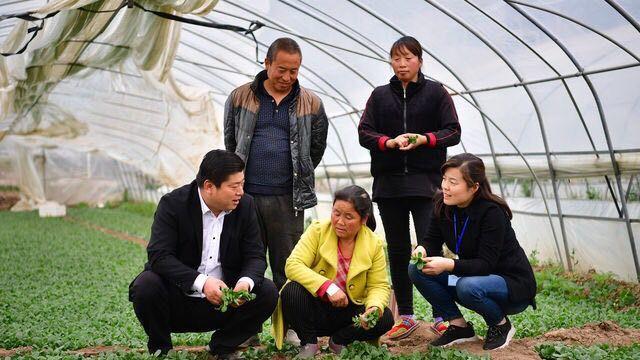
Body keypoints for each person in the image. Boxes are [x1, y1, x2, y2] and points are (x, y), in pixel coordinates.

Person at [128, 150, 278, 360]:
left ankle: (222, 346)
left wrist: (244, 284)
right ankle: (161, 349)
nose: (240, 192)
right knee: (146, 286)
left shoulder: (246, 206)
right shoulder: (173, 204)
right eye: (234, 186)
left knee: (267, 291)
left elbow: (256, 255)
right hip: (178, 299)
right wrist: (202, 282)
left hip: (225, 302)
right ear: (209, 186)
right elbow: (159, 256)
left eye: (242, 184)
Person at [358, 35, 461, 340]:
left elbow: (452, 131)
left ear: (420, 60)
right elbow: (364, 132)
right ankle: (405, 315)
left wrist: (424, 139)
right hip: (389, 186)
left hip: (426, 185)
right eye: (396, 58)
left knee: (428, 249)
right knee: (399, 250)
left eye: (408, 58)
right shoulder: (379, 96)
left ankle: (443, 315)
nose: (402, 64)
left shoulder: (436, 93)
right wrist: (387, 143)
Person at [224, 37, 329, 292]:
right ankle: (248, 328)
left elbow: (317, 147)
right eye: (281, 69)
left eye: (294, 71)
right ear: (267, 63)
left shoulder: (311, 103)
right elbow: (231, 141)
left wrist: (298, 172)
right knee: (246, 262)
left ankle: (290, 325)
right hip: (246, 195)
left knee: (289, 264)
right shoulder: (240, 97)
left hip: (288, 197)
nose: (287, 76)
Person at [409, 153, 537, 350]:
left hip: (509, 285)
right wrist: (422, 249)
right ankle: (459, 326)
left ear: (474, 187)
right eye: (444, 179)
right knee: (416, 269)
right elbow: (432, 240)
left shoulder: (491, 212)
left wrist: (448, 264)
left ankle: (500, 325)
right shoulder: (443, 205)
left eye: (453, 182)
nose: (445, 186)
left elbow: (486, 264)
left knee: (467, 286)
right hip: (472, 278)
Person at [272, 185, 394, 358]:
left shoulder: (373, 244)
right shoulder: (318, 230)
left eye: (349, 217)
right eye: (336, 213)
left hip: (349, 316)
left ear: (364, 219)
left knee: (385, 317)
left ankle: (340, 340)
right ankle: (309, 343)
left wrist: (373, 307)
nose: (340, 221)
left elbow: (379, 285)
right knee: (292, 291)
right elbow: (293, 264)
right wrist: (328, 287)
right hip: (315, 309)